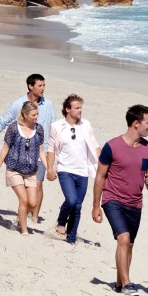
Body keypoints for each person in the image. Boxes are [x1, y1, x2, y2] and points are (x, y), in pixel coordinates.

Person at [91, 104, 148, 296]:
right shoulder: (112, 146)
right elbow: (100, 177)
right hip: (113, 199)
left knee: (128, 245)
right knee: (123, 238)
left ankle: (120, 283)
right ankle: (128, 284)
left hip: (135, 203)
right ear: (136, 124)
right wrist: (96, 205)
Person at [0, 73, 55, 220]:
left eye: (44, 85)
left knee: (38, 185)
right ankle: (25, 214)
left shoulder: (48, 104)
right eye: (40, 86)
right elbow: (2, 122)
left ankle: (34, 216)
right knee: (25, 192)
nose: (43, 89)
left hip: (41, 151)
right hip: (21, 153)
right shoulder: (18, 104)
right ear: (30, 86)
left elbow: (54, 126)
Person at [49, 94, 100, 245]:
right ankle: (60, 222)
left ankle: (71, 238)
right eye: (77, 108)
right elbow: (51, 149)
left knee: (77, 206)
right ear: (67, 109)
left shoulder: (86, 124)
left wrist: (104, 163)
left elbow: (95, 144)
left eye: (80, 108)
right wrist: (50, 169)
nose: (80, 111)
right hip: (65, 169)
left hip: (83, 171)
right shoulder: (57, 126)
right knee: (71, 200)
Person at [0, 101, 44, 235]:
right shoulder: (14, 128)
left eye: (37, 114)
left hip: (31, 171)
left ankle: (20, 219)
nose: (36, 117)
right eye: (33, 114)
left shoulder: (39, 129)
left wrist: (49, 168)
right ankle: (24, 230)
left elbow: (41, 151)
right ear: (25, 115)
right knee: (24, 200)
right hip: (14, 170)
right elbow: (5, 149)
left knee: (33, 204)